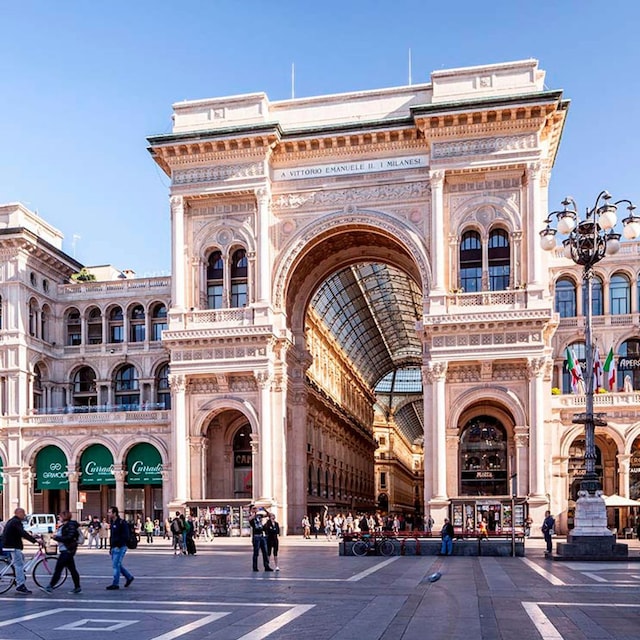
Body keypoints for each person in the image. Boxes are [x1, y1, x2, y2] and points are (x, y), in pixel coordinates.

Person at [2, 507, 39, 594]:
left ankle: (18, 577)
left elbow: (21, 532)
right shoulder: (16, 522)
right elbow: (23, 533)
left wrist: (33, 536)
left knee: (20, 560)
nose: (24, 515)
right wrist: (34, 540)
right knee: (19, 565)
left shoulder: (12, 521)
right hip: (13, 546)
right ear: (18, 513)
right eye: (23, 513)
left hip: (10, 545)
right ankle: (20, 585)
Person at [45, 510, 82, 594]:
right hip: (66, 550)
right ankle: (77, 587)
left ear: (64, 517)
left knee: (58, 569)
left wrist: (56, 538)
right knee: (72, 569)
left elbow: (69, 537)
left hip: (67, 550)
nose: (59, 518)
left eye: (60, 516)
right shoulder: (65, 526)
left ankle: (50, 586)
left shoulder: (70, 526)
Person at [106, 506, 134, 590]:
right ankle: (129, 577)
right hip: (114, 547)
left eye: (110, 512)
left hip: (120, 547)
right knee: (117, 565)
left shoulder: (122, 522)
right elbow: (112, 536)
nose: (108, 514)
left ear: (114, 513)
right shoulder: (112, 523)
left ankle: (115, 583)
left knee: (115, 565)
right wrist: (111, 547)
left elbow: (126, 536)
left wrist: (118, 544)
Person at [248, 505, 272, 572]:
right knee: (256, 553)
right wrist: (254, 513)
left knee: (265, 552)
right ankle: (255, 567)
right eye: (253, 508)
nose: (255, 509)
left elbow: (269, 515)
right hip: (256, 536)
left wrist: (264, 509)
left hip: (262, 535)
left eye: (255, 508)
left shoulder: (259, 515)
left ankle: (266, 566)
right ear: (251, 510)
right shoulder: (251, 516)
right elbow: (250, 519)